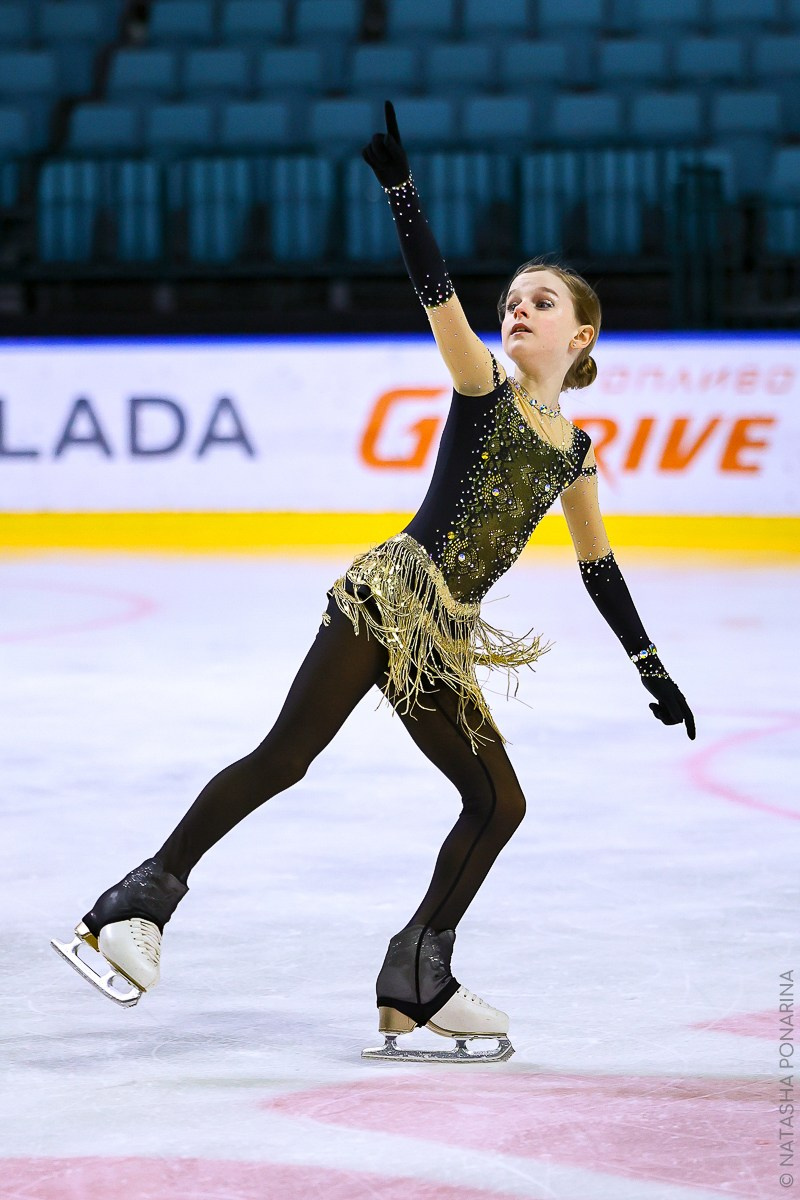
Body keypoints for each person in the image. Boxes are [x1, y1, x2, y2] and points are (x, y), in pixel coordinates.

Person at [51, 103, 696, 1064]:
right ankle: (136, 901)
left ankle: (416, 972)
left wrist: (649, 665)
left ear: (584, 334)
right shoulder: (484, 385)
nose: (517, 309)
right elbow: (436, 293)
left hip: (440, 633)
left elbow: (600, 567)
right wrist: (402, 193)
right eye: (512, 299)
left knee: (497, 801)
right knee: (287, 755)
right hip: (388, 593)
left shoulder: (577, 452)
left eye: (541, 303)